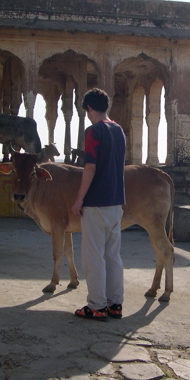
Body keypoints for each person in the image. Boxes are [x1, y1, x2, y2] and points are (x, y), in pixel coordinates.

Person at [71, 88, 126, 321]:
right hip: (116, 202)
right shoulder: (118, 130)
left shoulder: (93, 131)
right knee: (113, 256)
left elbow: (90, 167)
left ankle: (96, 306)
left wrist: (79, 199)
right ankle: (115, 305)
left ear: (89, 109)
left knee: (93, 257)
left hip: (96, 204)